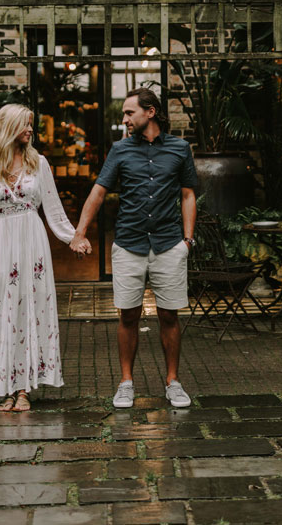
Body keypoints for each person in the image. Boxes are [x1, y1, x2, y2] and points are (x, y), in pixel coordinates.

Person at [69, 87, 200, 409]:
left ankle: (173, 381)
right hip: (129, 244)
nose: (125, 119)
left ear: (150, 112)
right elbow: (98, 192)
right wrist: (79, 233)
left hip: (170, 244)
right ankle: (126, 383)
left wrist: (187, 240)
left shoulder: (180, 148)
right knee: (128, 315)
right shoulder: (120, 150)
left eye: (129, 113)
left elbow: (188, 194)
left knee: (169, 315)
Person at [0, 102, 78, 412]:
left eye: (31, 124)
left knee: (31, 310)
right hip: (0, 245)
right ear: (8, 128)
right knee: (2, 315)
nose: (31, 130)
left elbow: (53, 208)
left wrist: (73, 238)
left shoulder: (38, 163)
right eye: (25, 124)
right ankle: (7, 387)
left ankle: (25, 390)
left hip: (32, 244)